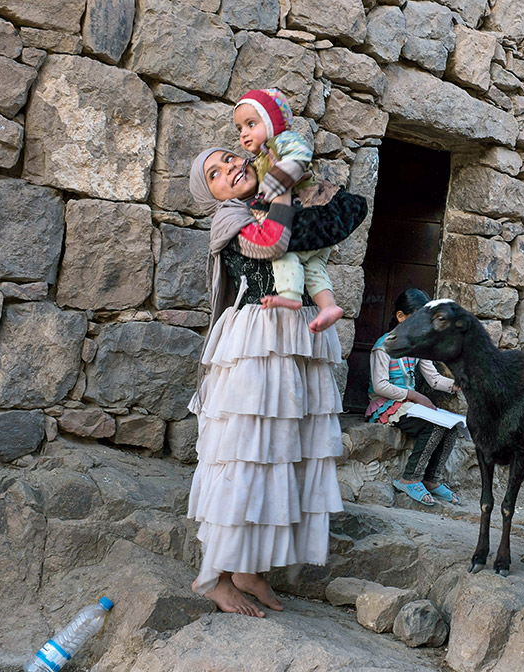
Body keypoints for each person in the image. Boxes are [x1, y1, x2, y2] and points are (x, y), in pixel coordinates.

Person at [185, 148, 348, 617]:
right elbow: (273, 243)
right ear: (210, 193)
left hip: (296, 338)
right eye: (213, 174)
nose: (228, 170)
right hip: (256, 343)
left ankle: (249, 570)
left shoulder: (275, 201)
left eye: (229, 159)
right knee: (243, 454)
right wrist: (281, 186)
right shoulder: (231, 221)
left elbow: (324, 234)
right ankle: (212, 576)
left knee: (281, 454)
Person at [230, 87, 362, 333]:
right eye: (240, 129)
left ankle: (290, 295)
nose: (244, 133)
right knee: (314, 267)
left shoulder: (281, 140)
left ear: (273, 122)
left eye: (250, 124)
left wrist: (277, 180)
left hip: (308, 217)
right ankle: (328, 305)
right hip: (314, 227)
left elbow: (299, 156)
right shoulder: (260, 157)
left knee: (285, 254)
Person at [366, 289, 462, 506]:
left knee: (452, 428)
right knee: (435, 427)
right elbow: (380, 386)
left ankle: (431, 480)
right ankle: (409, 478)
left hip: (410, 405)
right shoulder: (383, 347)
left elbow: (434, 379)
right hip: (388, 406)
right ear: (401, 317)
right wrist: (413, 395)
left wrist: (458, 385)